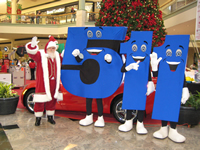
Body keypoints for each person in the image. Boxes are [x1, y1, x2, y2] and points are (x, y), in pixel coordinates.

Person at [25, 35, 63, 126]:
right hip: (43, 83)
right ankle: (38, 118)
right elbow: (32, 54)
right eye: (50, 48)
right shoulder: (41, 55)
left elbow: (65, 59)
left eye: (54, 48)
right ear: (47, 48)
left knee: (52, 101)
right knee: (40, 101)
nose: (52, 50)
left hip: (54, 83)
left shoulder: (57, 56)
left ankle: (50, 117)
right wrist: (33, 46)